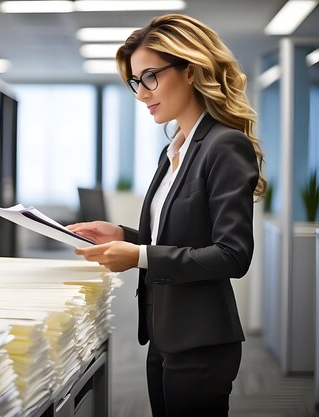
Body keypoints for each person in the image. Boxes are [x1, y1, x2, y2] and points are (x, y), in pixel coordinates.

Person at [67, 14, 265, 417]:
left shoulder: (224, 145)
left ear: (190, 71)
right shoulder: (175, 148)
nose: (142, 93)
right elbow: (179, 236)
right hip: (164, 332)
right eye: (136, 81)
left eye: (151, 76)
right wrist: (121, 234)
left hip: (202, 341)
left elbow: (232, 254)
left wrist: (137, 256)